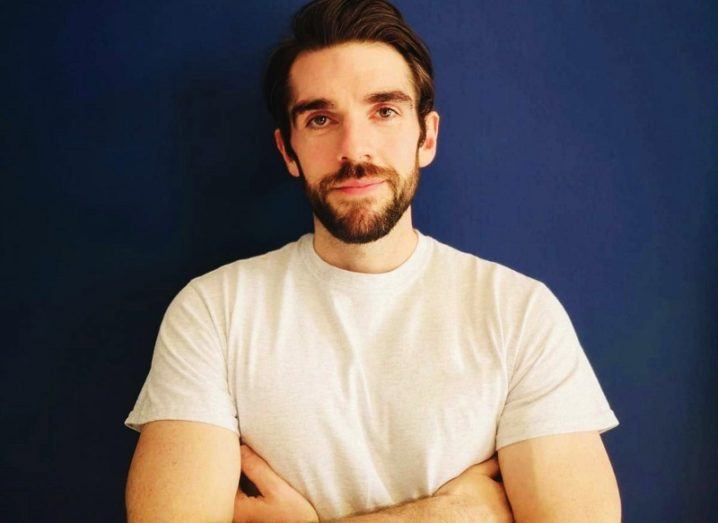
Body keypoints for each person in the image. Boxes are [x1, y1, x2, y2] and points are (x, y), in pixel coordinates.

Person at [124, 1, 621, 521]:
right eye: (320, 118)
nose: (354, 148)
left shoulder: (519, 313)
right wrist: (451, 515)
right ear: (288, 151)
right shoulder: (214, 312)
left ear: (426, 136)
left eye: (384, 111)